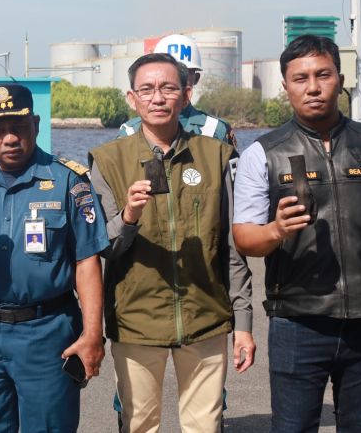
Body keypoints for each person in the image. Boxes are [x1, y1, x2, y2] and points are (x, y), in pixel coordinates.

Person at [232, 34, 361, 432]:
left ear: (341, 79)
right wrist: (276, 230)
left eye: (323, 75)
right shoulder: (262, 153)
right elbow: (245, 238)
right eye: (300, 78)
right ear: (285, 86)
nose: (313, 87)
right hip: (298, 323)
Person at [89, 52, 255, 433]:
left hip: (205, 317)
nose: (158, 97)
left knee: (205, 426)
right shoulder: (108, 160)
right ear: (132, 98)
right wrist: (129, 217)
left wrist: (243, 323)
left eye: (168, 88)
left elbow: (230, 248)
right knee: (138, 424)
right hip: (136, 320)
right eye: (147, 89)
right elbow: (103, 249)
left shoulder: (216, 155)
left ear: (186, 94)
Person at [0, 83, 107, 432]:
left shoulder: (68, 181)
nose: (10, 138)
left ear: (36, 124)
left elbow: (87, 262)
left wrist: (93, 334)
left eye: (19, 127)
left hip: (46, 332)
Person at [118, 33, 235, 145]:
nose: (177, 79)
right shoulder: (130, 131)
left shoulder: (214, 129)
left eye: (183, 73)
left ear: (196, 78)